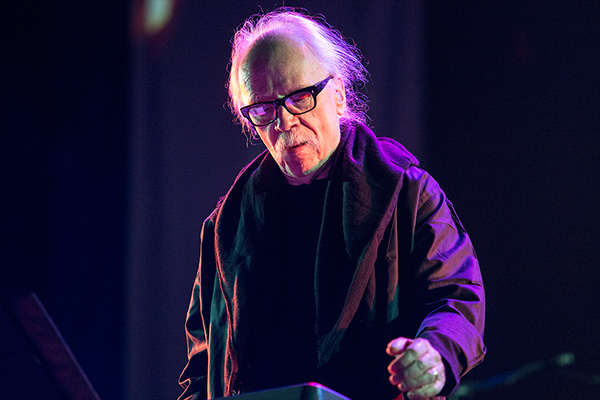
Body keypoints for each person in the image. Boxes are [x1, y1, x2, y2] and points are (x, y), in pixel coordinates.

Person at [178, 8, 485, 400]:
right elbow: (202, 365)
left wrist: (436, 354)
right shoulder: (224, 226)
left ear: (338, 95)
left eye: (299, 98)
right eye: (264, 109)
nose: (284, 122)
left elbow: (457, 296)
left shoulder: (406, 192)